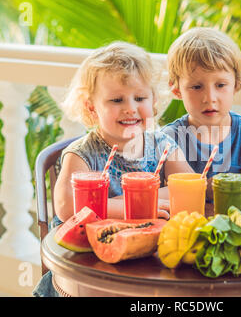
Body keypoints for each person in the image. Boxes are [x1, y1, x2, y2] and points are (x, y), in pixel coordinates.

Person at [33, 41, 193, 297]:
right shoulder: (82, 154)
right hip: (88, 271)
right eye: (117, 99)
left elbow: (186, 189)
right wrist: (135, 206)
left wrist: (114, 202)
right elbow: (67, 207)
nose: (130, 108)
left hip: (147, 265)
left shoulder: (163, 145)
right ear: (91, 107)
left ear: (153, 101)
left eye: (140, 98)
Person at [161, 27, 241, 201]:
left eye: (220, 85)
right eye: (197, 87)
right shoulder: (170, 139)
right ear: (177, 90)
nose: (210, 98)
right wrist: (204, 188)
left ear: (236, 85)